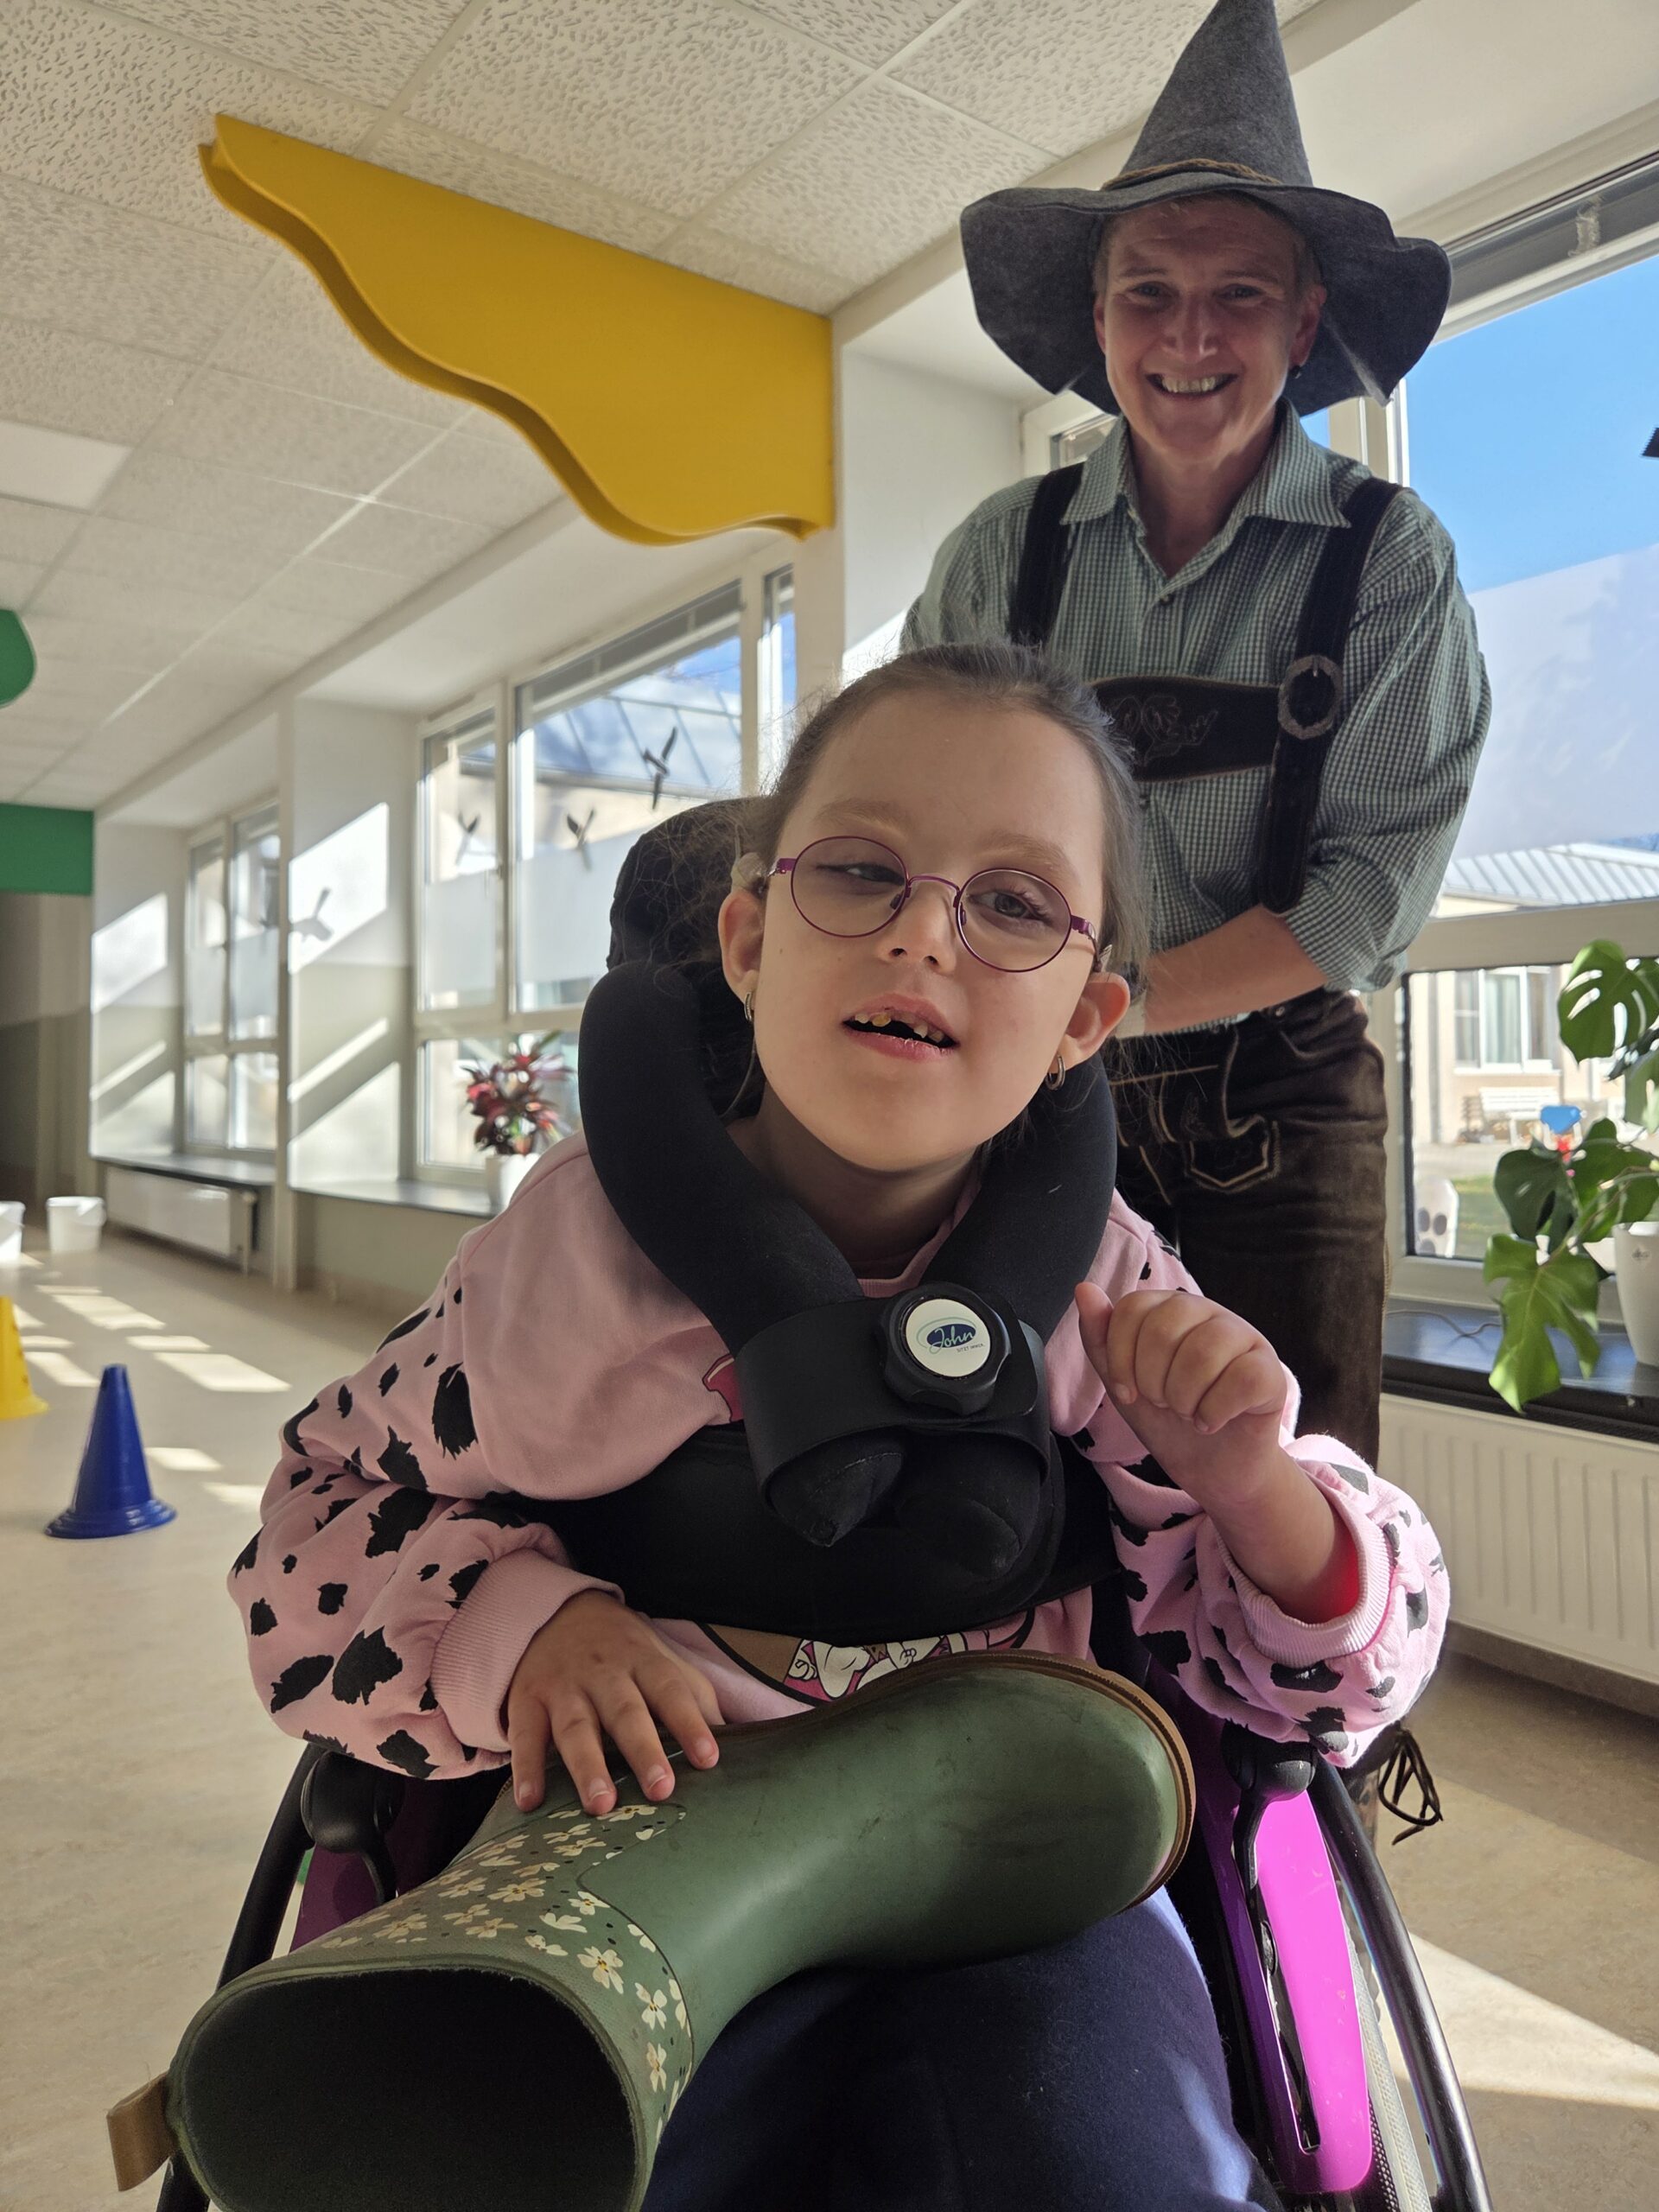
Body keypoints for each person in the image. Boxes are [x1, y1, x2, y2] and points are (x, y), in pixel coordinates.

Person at [233, 644, 1448, 2211]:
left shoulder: (1106, 1292)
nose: (923, 934)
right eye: (864, 872)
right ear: (748, 941)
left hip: (1026, 1864)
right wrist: (523, 1628)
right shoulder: (559, 1274)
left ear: (1086, 1020)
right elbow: (309, 1531)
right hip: (631, 1839)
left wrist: (1254, 1489)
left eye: (1014, 903)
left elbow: (1337, 1685)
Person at [904, 0, 1491, 1472]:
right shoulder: (1001, 554)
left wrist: (1101, 1004)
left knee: (1288, 1489)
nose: (1188, 336)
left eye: (1239, 295)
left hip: (1277, 1099)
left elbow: (1364, 895)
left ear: (1304, 324)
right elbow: (915, 810)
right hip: (1034, 1084)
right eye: (1148, 293)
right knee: (1029, 1477)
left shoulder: (1389, 558)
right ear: (1098, 325)